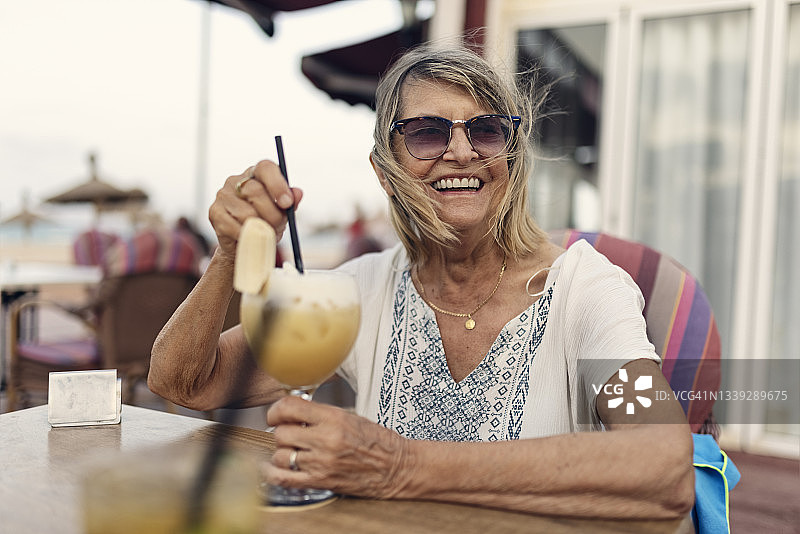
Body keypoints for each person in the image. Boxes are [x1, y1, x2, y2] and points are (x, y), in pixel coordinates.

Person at [149, 44, 693, 519]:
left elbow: (664, 463)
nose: (461, 151)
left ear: (512, 156)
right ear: (384, 171)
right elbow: (187, 382)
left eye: (486, 129)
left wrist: (399, 464)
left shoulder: (586, 290)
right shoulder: (359, 294)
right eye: (428, 133)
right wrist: (228, 251)